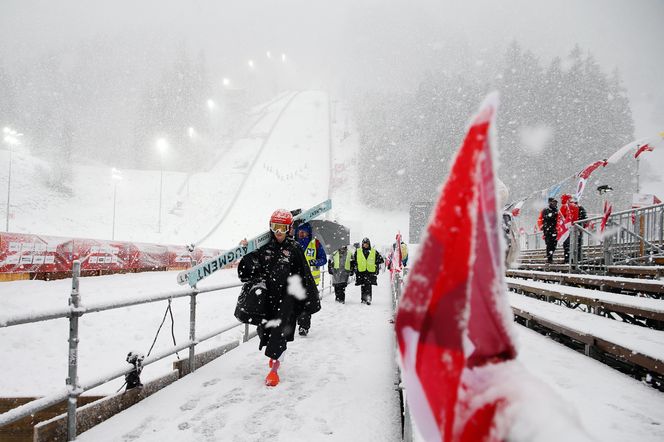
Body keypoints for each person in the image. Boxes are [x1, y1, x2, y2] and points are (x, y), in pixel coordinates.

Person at [238, 209, 320, 387]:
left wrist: (309, 302)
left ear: (290, 229)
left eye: (282, 228)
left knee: (279, 334)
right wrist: (245, 251)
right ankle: (274, 355)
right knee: (265, 333)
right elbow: (248, 272)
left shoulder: (295, 249)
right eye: (275, 227)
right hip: (268, 300)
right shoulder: (264, 248)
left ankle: (274, 369)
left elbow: (305, 275)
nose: (279, 232)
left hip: (287, 300)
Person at [294, 222, 327, 336]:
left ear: (309, 233)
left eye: (304, 232)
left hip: (311, 280)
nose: (302, 234)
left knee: (306, 305)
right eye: (300, 232)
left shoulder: (315, 243)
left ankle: (304, 326)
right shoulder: (293, 243)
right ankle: (296, 322)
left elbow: (323, 259)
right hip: (295, 281)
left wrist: (315, 261)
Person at [350, 237, 384, 305]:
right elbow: (354, 261)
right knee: (363, 286)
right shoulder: (358, 251)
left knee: (368, 286)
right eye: (364, 244)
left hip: (370, 272)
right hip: (361, 272)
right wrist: (354, 268)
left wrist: (375, 264)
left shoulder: (373, 251)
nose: (365, 245)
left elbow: (381, 260)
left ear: (369, 244)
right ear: (362, 244)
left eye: (367, 244)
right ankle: (363, 299)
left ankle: (368, 299)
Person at [560, 194, 579, 263]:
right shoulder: (576, 206)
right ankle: (573, 259)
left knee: (567, 244)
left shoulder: (565, 206)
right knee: (574, 244)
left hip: (567, 228)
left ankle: (567, 259)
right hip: (574, 227)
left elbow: (561, 217)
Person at [539, 198, 559, 264]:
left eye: (555, 202)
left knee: (554, 244)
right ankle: (549, 258)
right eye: (553, 202)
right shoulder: (546, 210)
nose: (555, 204)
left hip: (555, 230)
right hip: (548, 230)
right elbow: (547, 217)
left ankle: (550, 255)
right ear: (550, 202)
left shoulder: (556, 210)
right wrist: (555, 214)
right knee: (549, 244)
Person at [573, 198, 588, 263]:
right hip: (573, 228)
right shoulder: (570, 208)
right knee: (575, 244)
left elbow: (584, 218)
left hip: (578, 228)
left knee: (578, 243)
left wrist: (581, 226)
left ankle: (577, 257)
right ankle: (576, 257)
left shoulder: (580, 208)